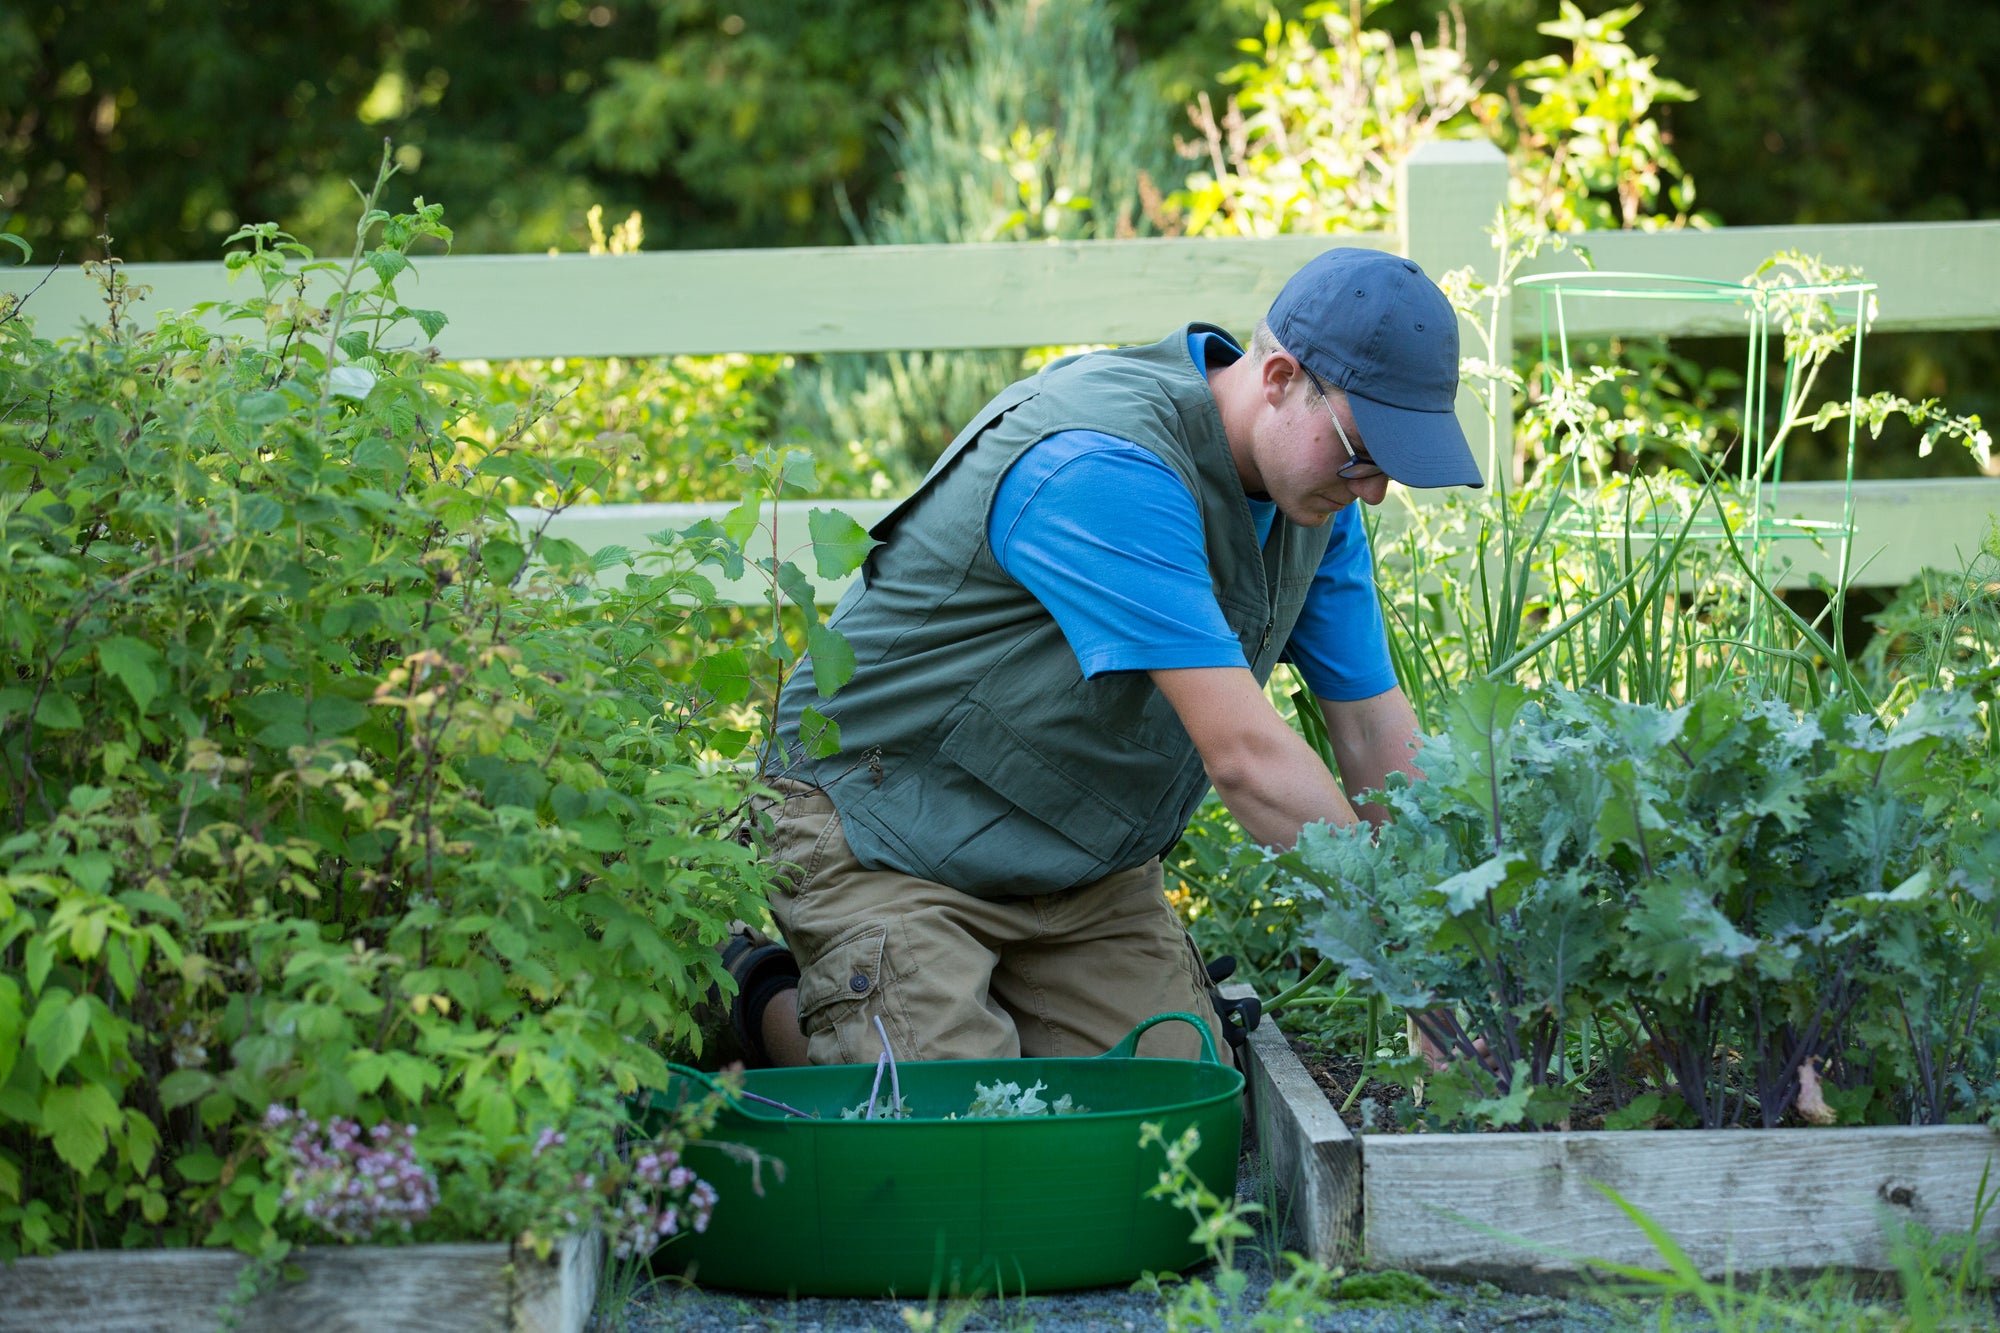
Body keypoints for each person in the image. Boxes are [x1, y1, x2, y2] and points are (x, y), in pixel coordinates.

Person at [715, 247, 1484, 1070]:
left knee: (1181, 1112)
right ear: (1280, 378)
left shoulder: (1314, 508)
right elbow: (1247, 761)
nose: (1373, 491)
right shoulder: (1105, 466)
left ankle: (957, 998)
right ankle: (752, 997)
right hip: (881, 820)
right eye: (1364, 450)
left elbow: (1371, 731)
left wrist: (1449, 939)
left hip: (1070, 859)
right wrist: (1402, 945)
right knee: (960, 1121)